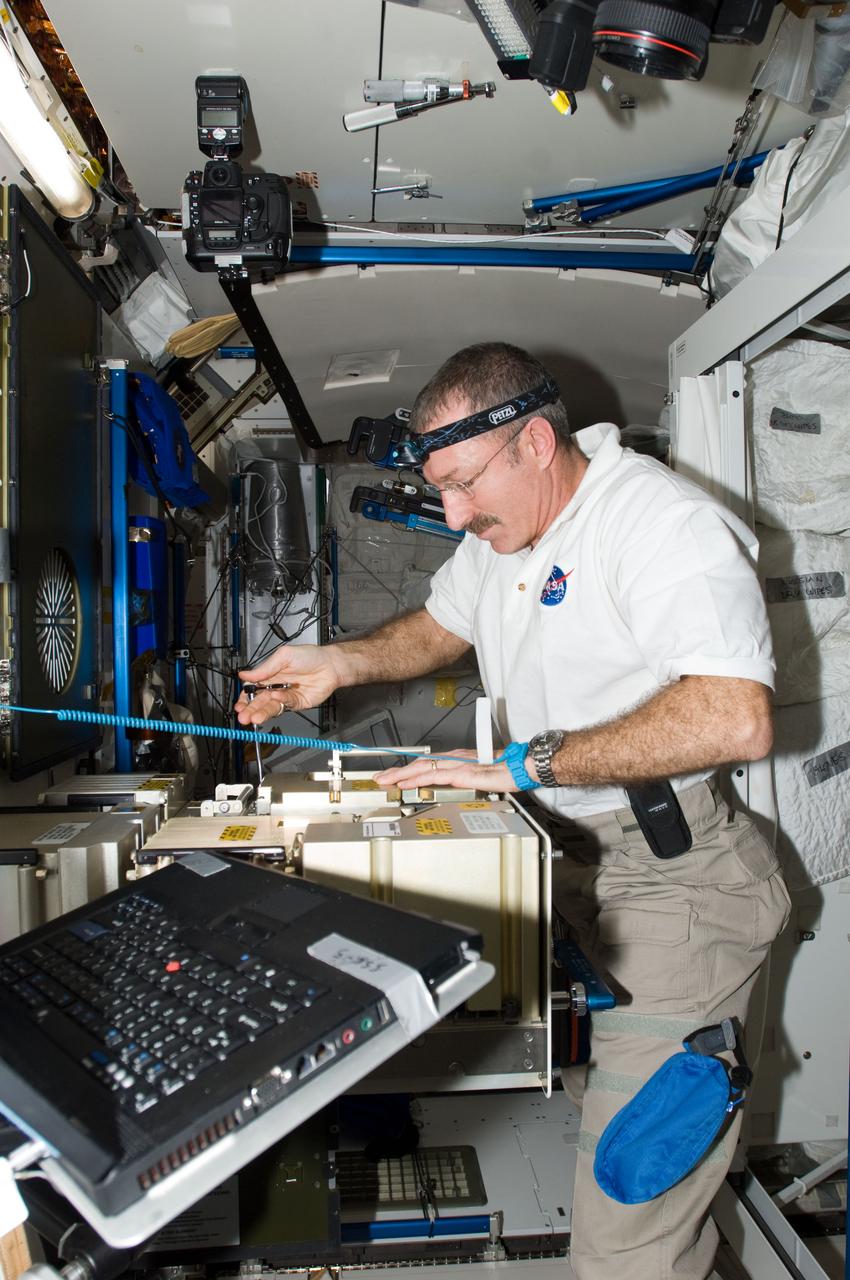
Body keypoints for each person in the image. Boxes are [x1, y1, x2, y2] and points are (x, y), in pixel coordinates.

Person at [235, 341, 790, 1280]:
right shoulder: (509, 534)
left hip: (678, 890)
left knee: (629, 1216)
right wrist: (342, 662)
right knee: (593, 1109)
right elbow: (442, 625)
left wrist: (523, 764)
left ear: (535, 441)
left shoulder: (655, 523)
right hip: (575, 866)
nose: (452, 512)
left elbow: (735, 715)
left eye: (461, 484)